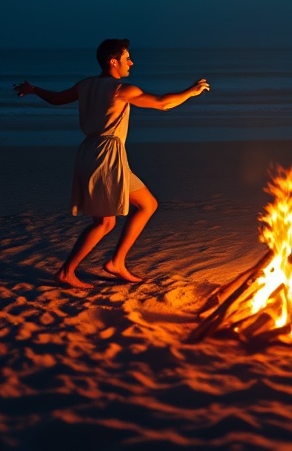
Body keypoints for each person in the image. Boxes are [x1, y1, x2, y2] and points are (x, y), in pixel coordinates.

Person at [14, 39, 210, 290]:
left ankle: (116, 262)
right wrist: (190, 92)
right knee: (105, 222)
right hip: (107, 156)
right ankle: (66, 273)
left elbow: (57, 99)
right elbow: (162, 103)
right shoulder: (121, 90)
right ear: (113, 61)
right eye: (127, 58)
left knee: (147, 204)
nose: (132, 62)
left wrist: (34, 89)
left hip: (90, 152)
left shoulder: (85, 85)